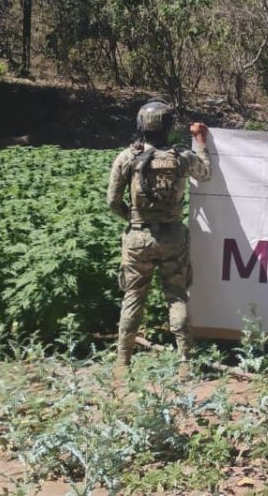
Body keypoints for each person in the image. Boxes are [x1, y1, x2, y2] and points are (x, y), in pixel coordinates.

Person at [107, 99, 211, 365]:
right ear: (167, 126)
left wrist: (132, 220)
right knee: (176, 297)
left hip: (137, 237)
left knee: (133, 297)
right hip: (173, 236)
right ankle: (185, 361)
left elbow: (112, 202)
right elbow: (205, 173)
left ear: (141, 124)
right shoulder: (180, 157)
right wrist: (200, 141)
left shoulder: (127, 157)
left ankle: (122, 360)